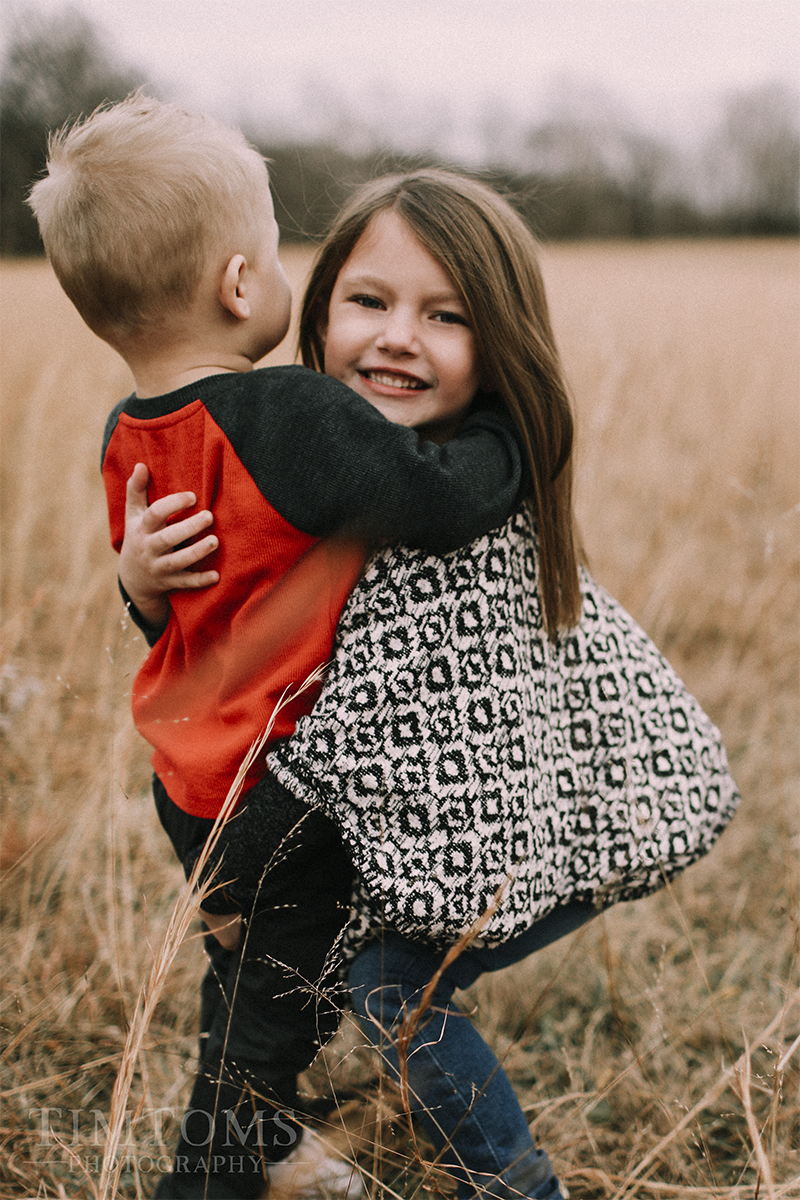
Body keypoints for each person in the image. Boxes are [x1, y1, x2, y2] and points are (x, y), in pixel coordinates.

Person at [120, 170, 739, 1200]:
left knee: (392, 983)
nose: (399, 335)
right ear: (317, 319)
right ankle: (270, 1145)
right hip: (396, 827)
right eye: (370, 301)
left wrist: (231, 870)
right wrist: (146, 586)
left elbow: (355, 731)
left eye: (445, 316)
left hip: (518, 827)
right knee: (290, 983)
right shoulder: (314, 461)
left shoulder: (454, 500)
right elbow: (226, 641)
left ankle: (511, 1185)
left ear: (496, 347)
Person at [28, 101, 528, 1200]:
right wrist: (508, 433)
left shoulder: (131, 431)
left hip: (190, 776)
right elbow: (436, 503)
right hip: (280, 789)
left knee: (246, 974)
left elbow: (193, 604)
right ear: (240, 283)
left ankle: (253, 1144)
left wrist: (134, 589)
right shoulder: (292, 415)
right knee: (269, 1024)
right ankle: (209, 1178)